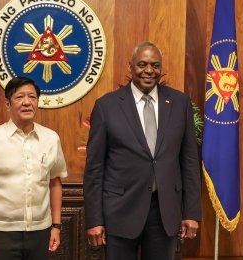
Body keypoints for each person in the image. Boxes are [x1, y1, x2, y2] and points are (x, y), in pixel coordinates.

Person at [83, 41, 202, 259]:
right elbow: (95, 168)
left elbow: (190, 162)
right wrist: (94, 219)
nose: (149, 71)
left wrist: (192, 213)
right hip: (120, 211)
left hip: (165, 211)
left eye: (155, 66)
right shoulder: (107, 106)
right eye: (142, 64)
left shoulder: (179, 102)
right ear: (130, 67)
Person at [0, 77, 67, 259]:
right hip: (0, 234)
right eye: (20, 97)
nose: (27, 102)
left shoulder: (51, 139)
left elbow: (55, 183)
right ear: (8, 104)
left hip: (40, 232)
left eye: (32, 97)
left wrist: (56, 227)